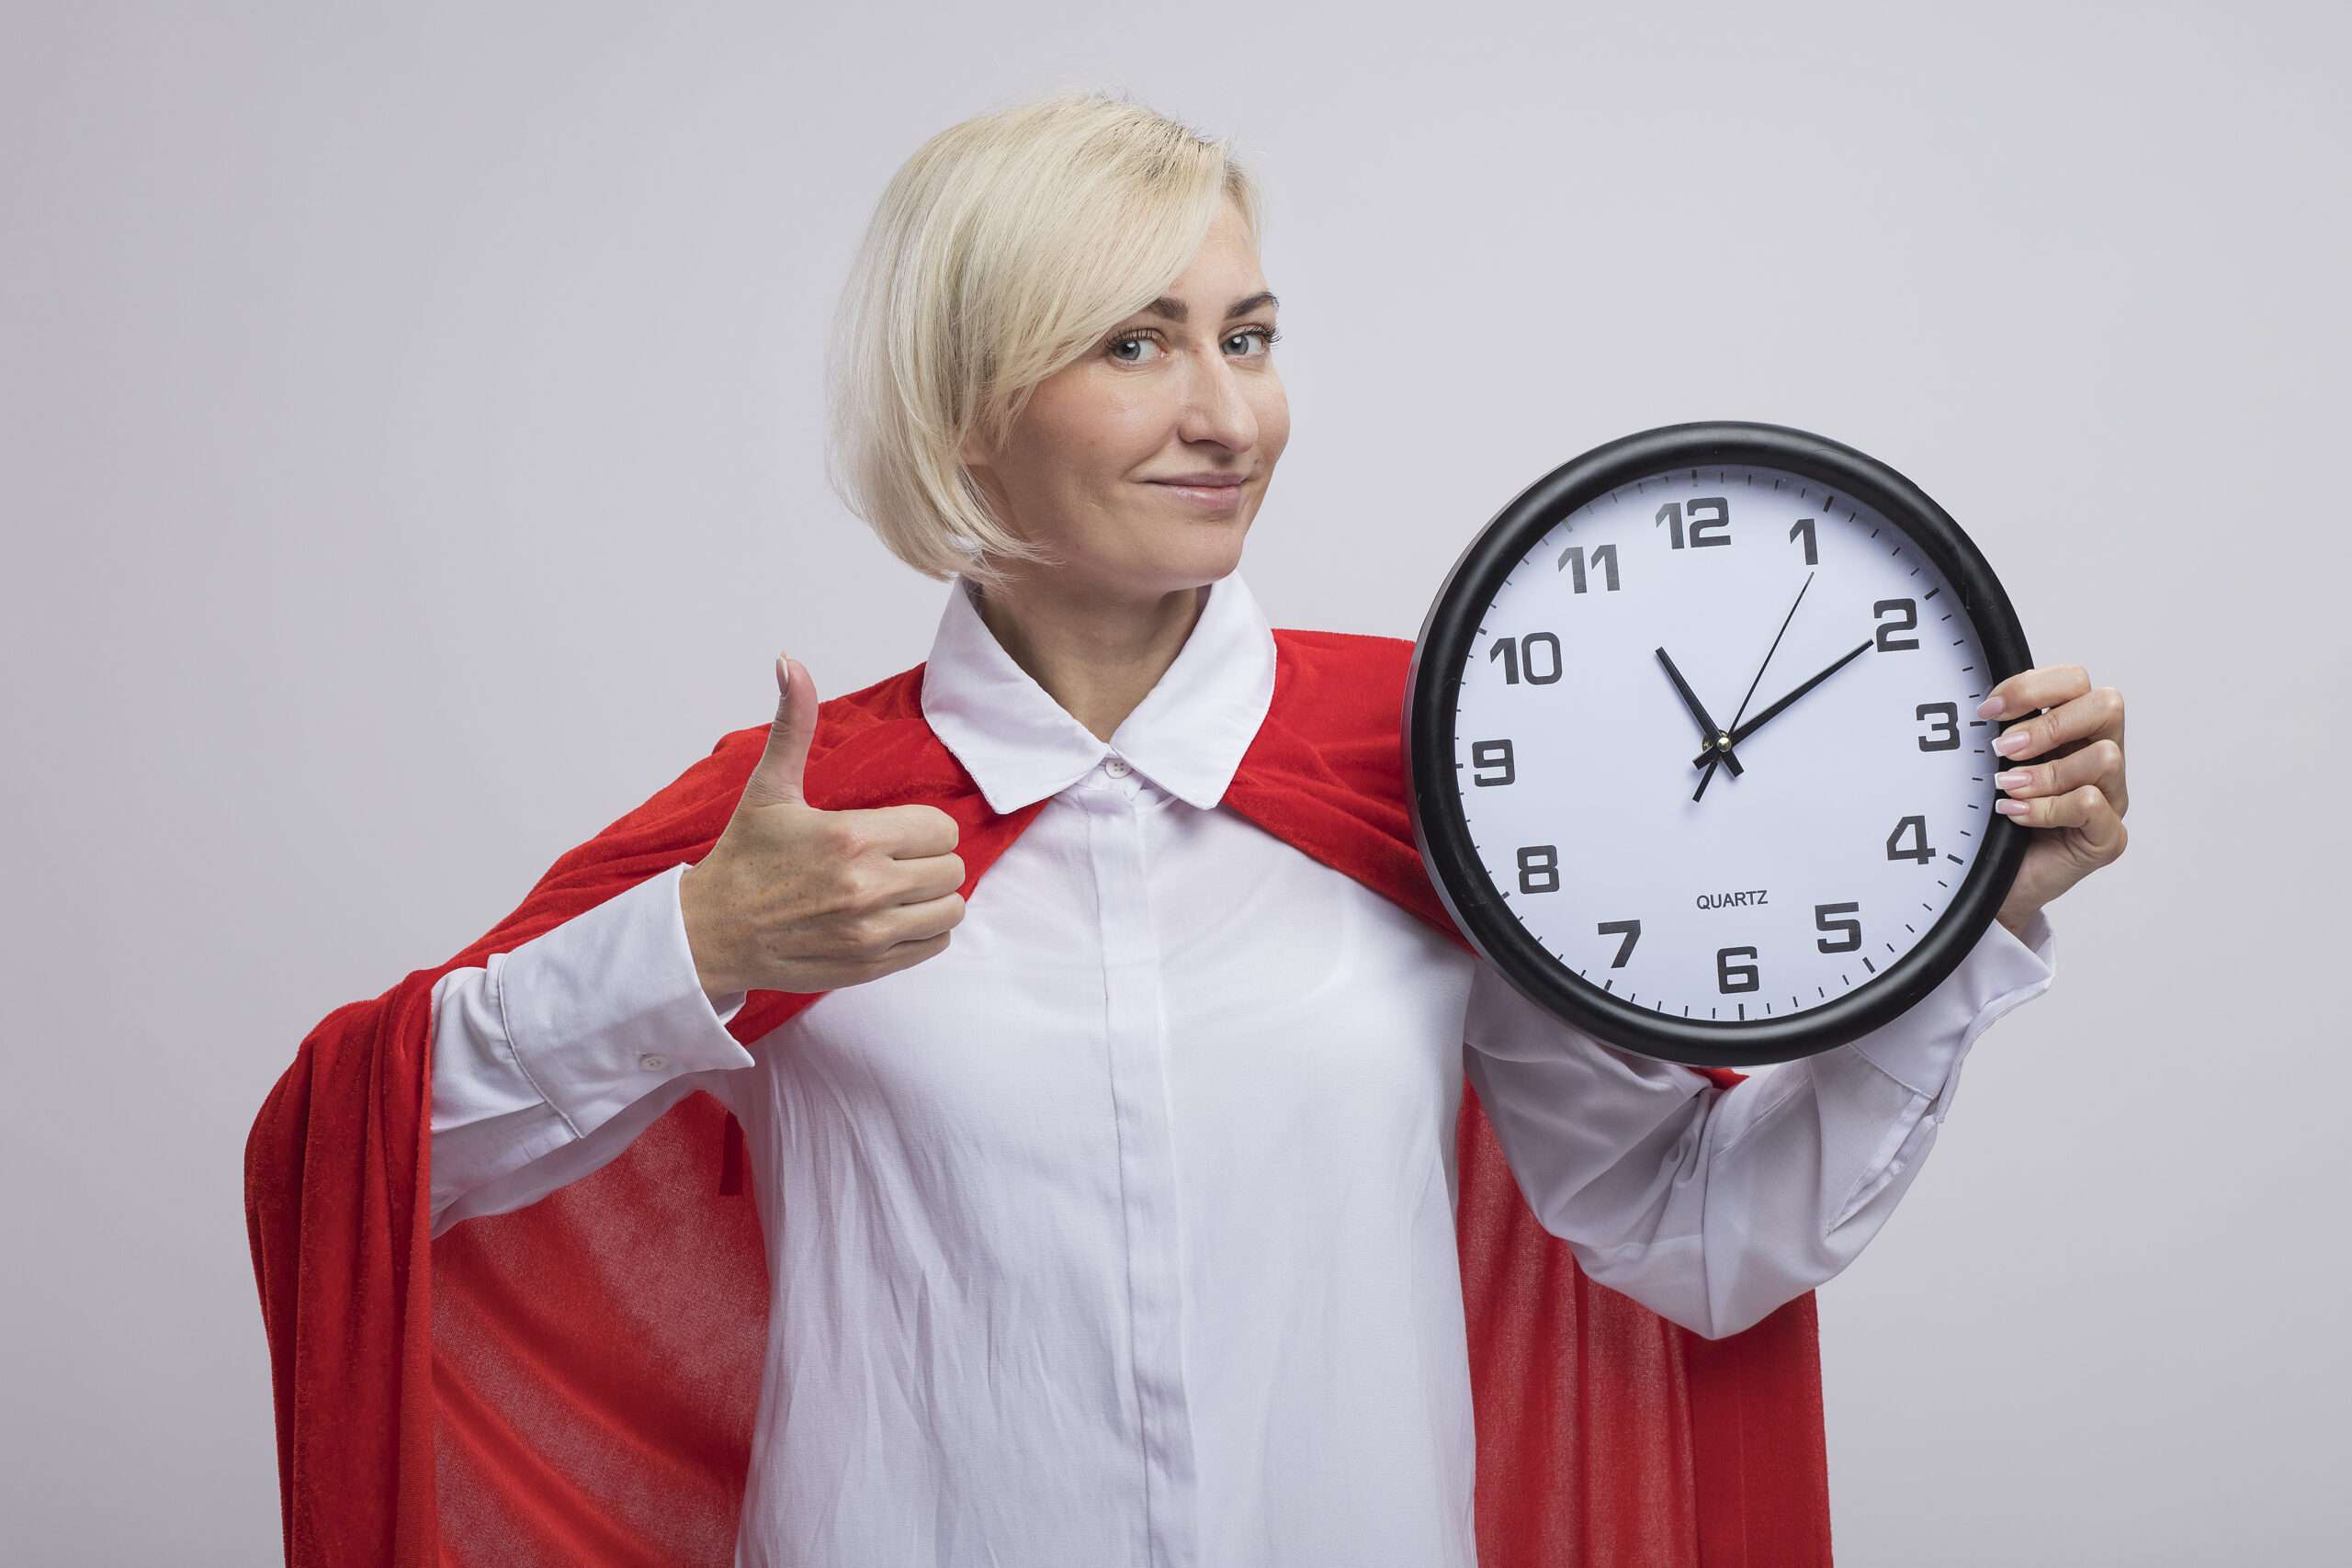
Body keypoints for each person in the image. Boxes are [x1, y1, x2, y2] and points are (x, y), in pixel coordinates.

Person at [247, 90, 2130, 1567]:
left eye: (1248, 331)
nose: (1227, 414)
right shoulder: (803, 833)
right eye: (1135, 345)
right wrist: (693, 948)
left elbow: (1697, 1239)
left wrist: (1961, 920)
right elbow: (368, 1163)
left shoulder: (1440, 767)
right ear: (965, 402)